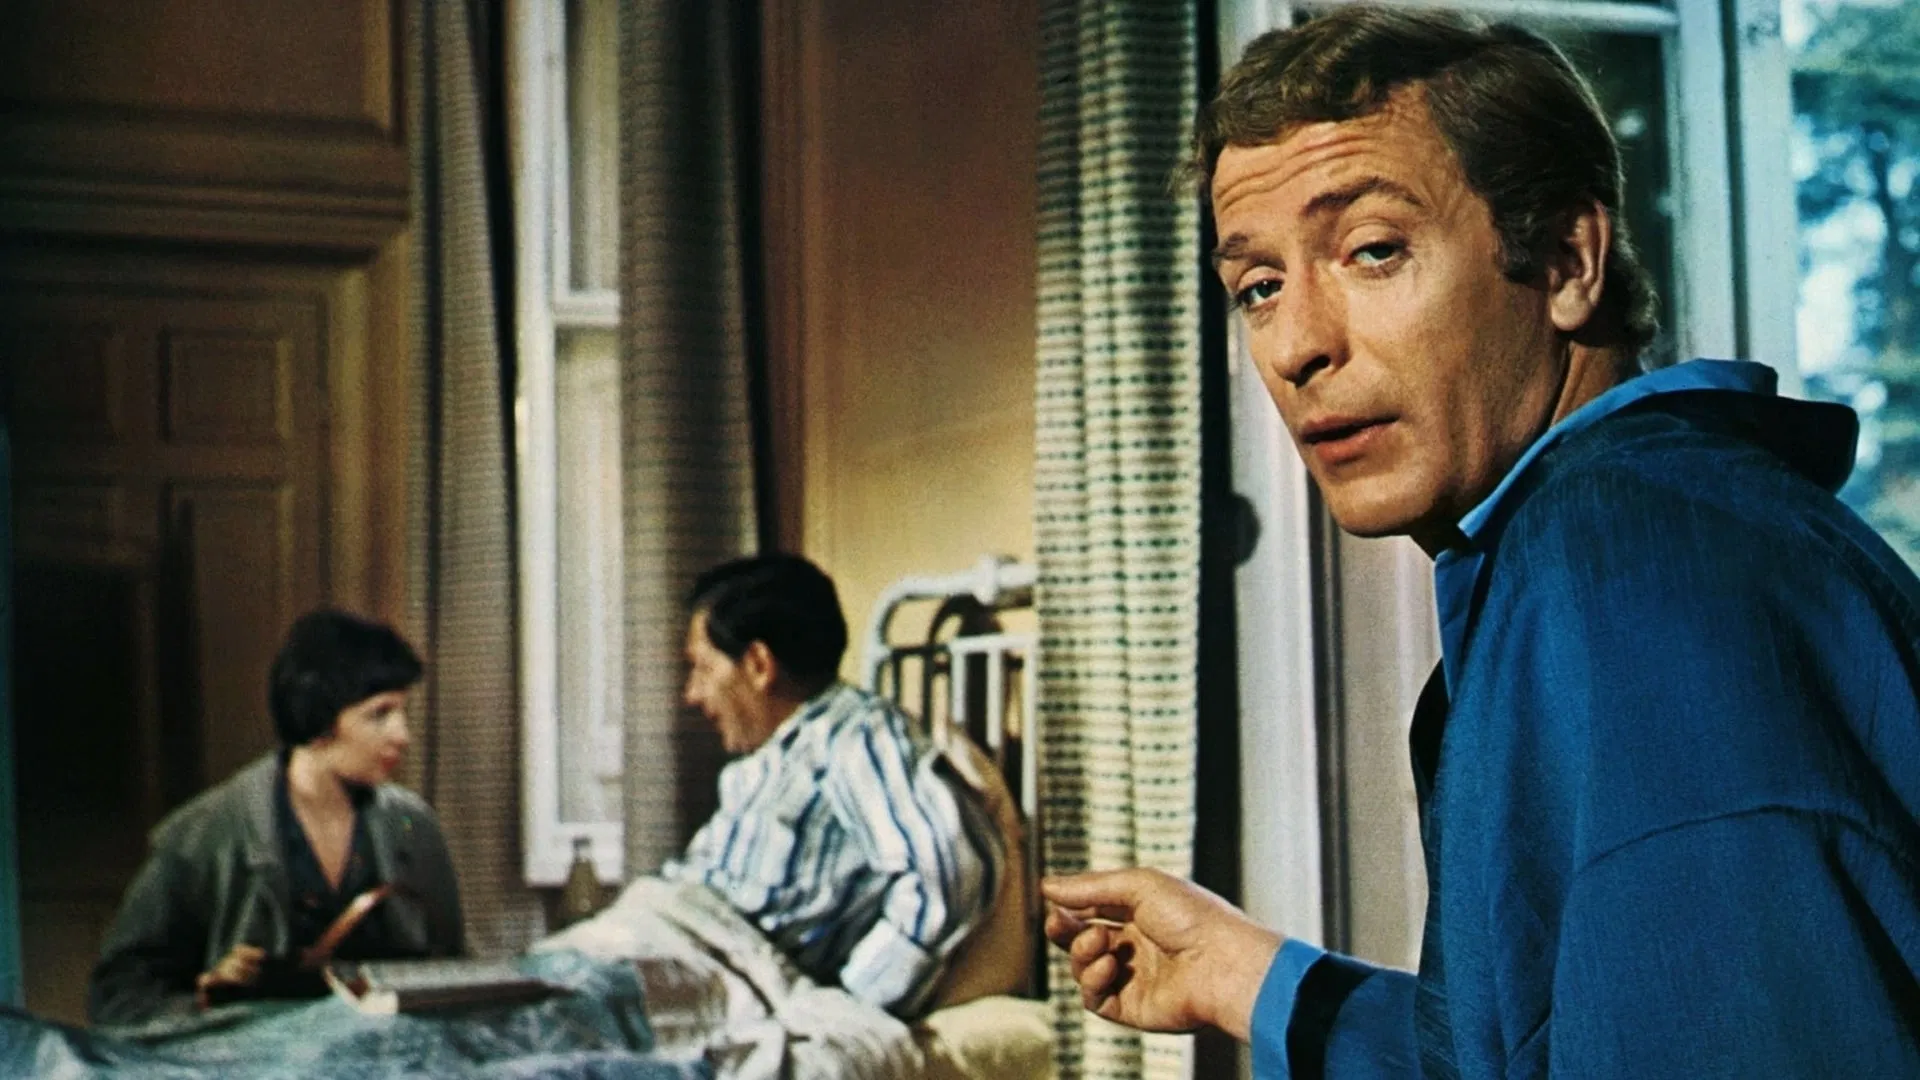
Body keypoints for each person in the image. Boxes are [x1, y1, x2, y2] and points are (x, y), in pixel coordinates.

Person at [1045, 7, 1920, 1078]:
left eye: (1373, 251)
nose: (1297, 346)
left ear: (1566, 261)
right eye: (1259, 288)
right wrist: (1247, 976)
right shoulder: (1611, 539)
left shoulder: (1634, 574)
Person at [658, 553, 1002, 1019]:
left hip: (711, 977)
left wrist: (851, 1004)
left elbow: (948, 872)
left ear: (758, 664)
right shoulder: (763, 765)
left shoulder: (857, 735)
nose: (692, 694)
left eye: (702, 667)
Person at [89, 609, 464, 1026]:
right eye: (380, 714)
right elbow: (118, 998)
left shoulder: (415, 828)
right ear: (319, 716)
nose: (402, 735)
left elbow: (453, 974)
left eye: (403, 712)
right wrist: (204, 1001)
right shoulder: (201, 836)